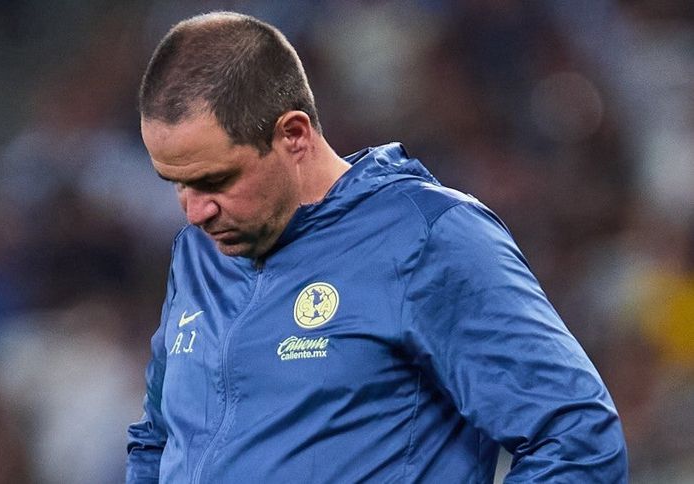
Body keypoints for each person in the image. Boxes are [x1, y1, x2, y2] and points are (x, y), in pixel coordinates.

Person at [127, 11, 628, 483]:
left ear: (294, 135)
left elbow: (578, 437)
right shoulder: (198, 254)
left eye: (215, 180)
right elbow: (158, 439)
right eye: (178, 183)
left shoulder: (428, 238)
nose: (195, 211)